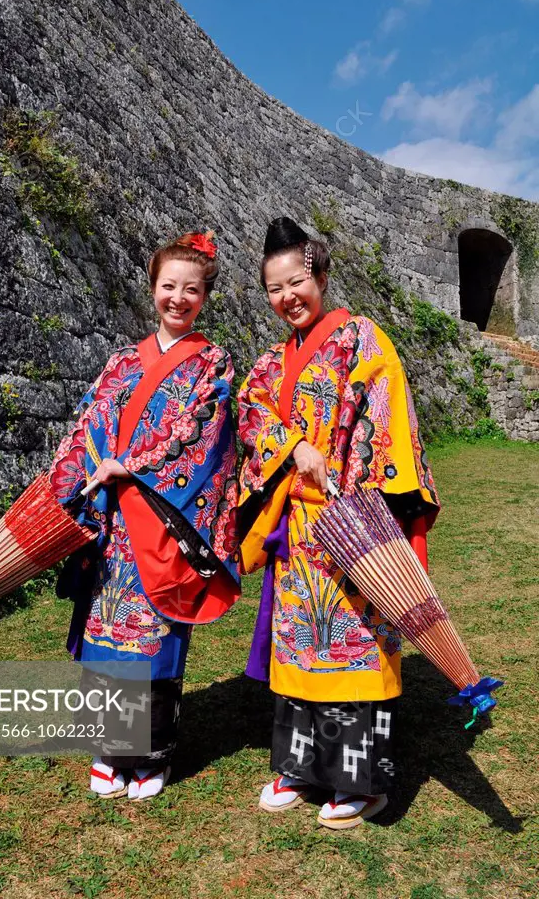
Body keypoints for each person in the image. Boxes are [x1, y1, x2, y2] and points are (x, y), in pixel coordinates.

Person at [237, 216, 440, 829]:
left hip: (355, 523)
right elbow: (250, 412)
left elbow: (389, 416)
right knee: (301, 643)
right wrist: (294, 444)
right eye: (274, 289)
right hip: (298, 530)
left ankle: (362, 782)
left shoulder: (363, 339)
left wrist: (371, 501)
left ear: (320, 276)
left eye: (296, 281)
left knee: (355, 647)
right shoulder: (272, 363)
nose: (287, 297)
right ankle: (300, 768)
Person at [49, 231, 240, 800]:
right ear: (152, 289)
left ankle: (150, 756)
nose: (177, 299)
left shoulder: (213, 363)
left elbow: (201, 435)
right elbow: (88, 423)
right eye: (168, 287)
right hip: (112, 525)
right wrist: (84, 474)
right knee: (107, 635)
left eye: (191, 289)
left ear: (205, 296)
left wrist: (128, 466)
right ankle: (111, 751)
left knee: (154, 641)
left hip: (163, 520)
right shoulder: (122, 361)